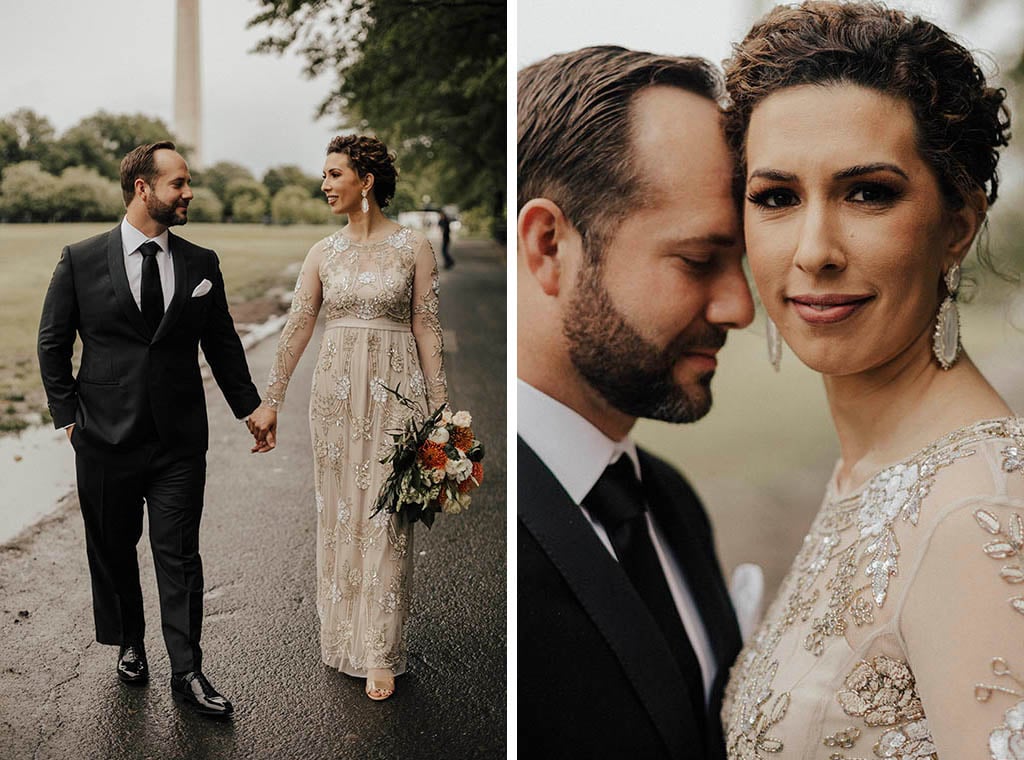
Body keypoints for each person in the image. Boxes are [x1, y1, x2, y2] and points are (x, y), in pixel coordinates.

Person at [720, 3, 1022, 757]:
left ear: (958, 223)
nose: (815, 250)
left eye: (867, 193)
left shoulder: (980, 520)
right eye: (777, 197)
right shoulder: (870, 468)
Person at [517, 46, 755, 759]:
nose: (741, 305)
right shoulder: (484, 519)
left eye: (742, 261)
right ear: (550, 244)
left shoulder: (672, 499)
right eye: (697, 259)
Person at [37, 141, 261, 717]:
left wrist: (250, 407)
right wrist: (68, 418)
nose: (188, 193)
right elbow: (53, 344)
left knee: (179, 554)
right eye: (178, 184)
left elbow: (223, 343)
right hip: (103, 437)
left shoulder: (200, 263)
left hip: (179, 440)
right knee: (113, 548)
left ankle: (187, 671)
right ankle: (130, 642)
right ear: (143, 188)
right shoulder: (81, 259)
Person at [247, 135, 445, 701]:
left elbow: (427, 328)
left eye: (335, 174)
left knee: (386, 517)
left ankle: (380, 650)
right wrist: (272, 399)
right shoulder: (322, 253)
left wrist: (440, 413)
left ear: (368, 181)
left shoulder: (414, 247)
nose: (325, 184)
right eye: (325, 175)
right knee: (339, 515)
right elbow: (297, 327)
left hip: (396, 394)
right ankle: (341, 638)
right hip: (334, 399)